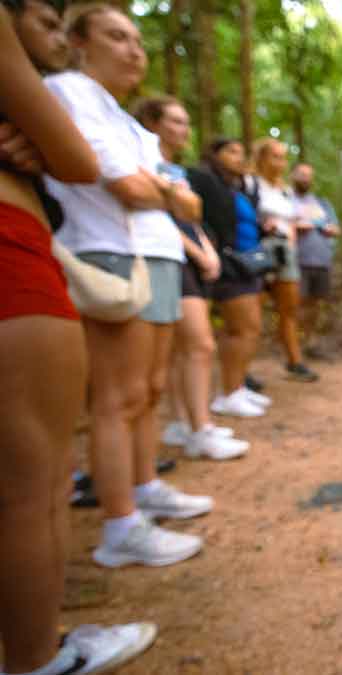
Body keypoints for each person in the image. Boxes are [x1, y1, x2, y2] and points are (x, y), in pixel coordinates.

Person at [0, 4, 158, 672]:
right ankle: (37, 657)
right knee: (33, 485)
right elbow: (78, 159)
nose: (53, 34)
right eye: (39, 16)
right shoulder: (60, 87)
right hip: (20, 245)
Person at [44, 1, 211, 566]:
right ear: (79, 43)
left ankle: (144, 489)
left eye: (137, 39)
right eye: (117, 37)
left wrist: (159, 190)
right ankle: (120, 526)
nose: (134, 50)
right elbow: (128, 188)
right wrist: (161, 191)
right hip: (109, 253)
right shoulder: (68, 92)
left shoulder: (131, 124)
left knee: (151, 390)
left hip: (159, 254)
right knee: (117, 399)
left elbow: (189, 203)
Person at [134, 97, 248, 460]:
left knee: (189, 346)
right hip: (162, 253)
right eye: (176, 122)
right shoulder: (139, 157)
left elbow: (190, 214)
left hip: (186, 255)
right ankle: (197, 427)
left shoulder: (178, 172)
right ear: (154, 122)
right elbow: (161, 215)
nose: (184, 129)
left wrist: (206, 249)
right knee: (196, 344)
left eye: (186, 121)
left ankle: (189, 423)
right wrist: (197, 251)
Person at [188, 137, 270, 418]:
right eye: (232, 151)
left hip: (248, 263)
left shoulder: (238, 186)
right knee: (243, 328)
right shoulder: (202, 179)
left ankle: (236, 387)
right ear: (214, 153)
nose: (239, 156)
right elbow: (195, 218)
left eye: (241, 151)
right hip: (227, 263)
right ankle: (229, 393)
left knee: (248, 328)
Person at [247, 138, 318, 382]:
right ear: (262, 158)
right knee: (250, 309)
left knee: (289, 309)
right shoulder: (251, 184)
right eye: (275, 156)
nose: (280, 162)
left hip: (286, 254)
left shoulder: (285, 190)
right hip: (259, 251)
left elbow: (292, 222)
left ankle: (294, 361)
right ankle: (242, 369)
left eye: (283, 157)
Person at [291, 162, 339, 361]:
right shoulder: (286, 200)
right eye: (302, 174)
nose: (305, 178)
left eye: (309, 175)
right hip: (297, 260)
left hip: (321, 261)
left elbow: (336, 229)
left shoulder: (322, 203)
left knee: (314, 304)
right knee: (295, 304)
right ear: (293, 175)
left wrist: (328, 229)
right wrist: (299, 226)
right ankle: (294, 346)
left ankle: (311, 342)